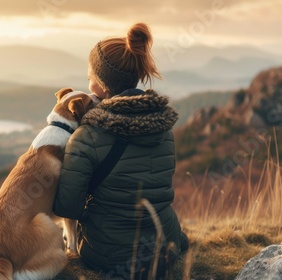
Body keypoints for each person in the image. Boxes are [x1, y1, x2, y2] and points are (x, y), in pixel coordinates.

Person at [53, 23, 189, 279]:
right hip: (165, 244)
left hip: (107, 253)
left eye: (90, 76)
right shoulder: (164, 127)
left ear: (102, 88)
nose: (88, 81)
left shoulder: (87, 136)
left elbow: (66, 207)